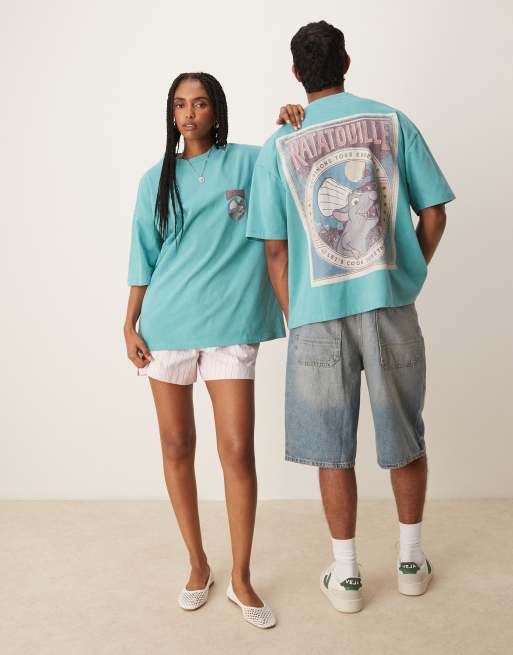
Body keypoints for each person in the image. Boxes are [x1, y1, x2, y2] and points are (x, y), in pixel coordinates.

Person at [246, 21, 455, 613]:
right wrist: (404, 274)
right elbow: (435, 213)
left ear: (296, 74)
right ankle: (411, 563)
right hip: (388, 303)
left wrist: (298, 315)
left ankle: (347, 576)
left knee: (330, 447)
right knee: (404, 435)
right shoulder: (392, 122)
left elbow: (275, 251)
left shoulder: (279, 144)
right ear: (347, 61)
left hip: (315, 314)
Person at [124, 71, 302, 629]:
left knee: (237, 450)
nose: (189, 113)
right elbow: (143, 256)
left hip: (230, 324)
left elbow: (292, 158)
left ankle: (241, 577)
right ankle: (198, 564)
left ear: (216, 110)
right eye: (180, 105)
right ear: (171, 113)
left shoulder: (248, 161)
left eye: (200, 103)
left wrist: (291, 120)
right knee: (177, 445)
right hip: (167, 325)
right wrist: (129, 323)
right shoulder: (155, 179)